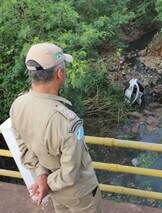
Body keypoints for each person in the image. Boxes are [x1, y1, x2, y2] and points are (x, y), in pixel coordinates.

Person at [10, 43, 102, 213]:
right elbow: (70, 173)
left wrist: (42, 175)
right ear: (60, 73)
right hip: (80, 194)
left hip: (56, 193)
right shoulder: (67, 121)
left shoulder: (18, 105)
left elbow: (23, 146)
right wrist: (47, 184)